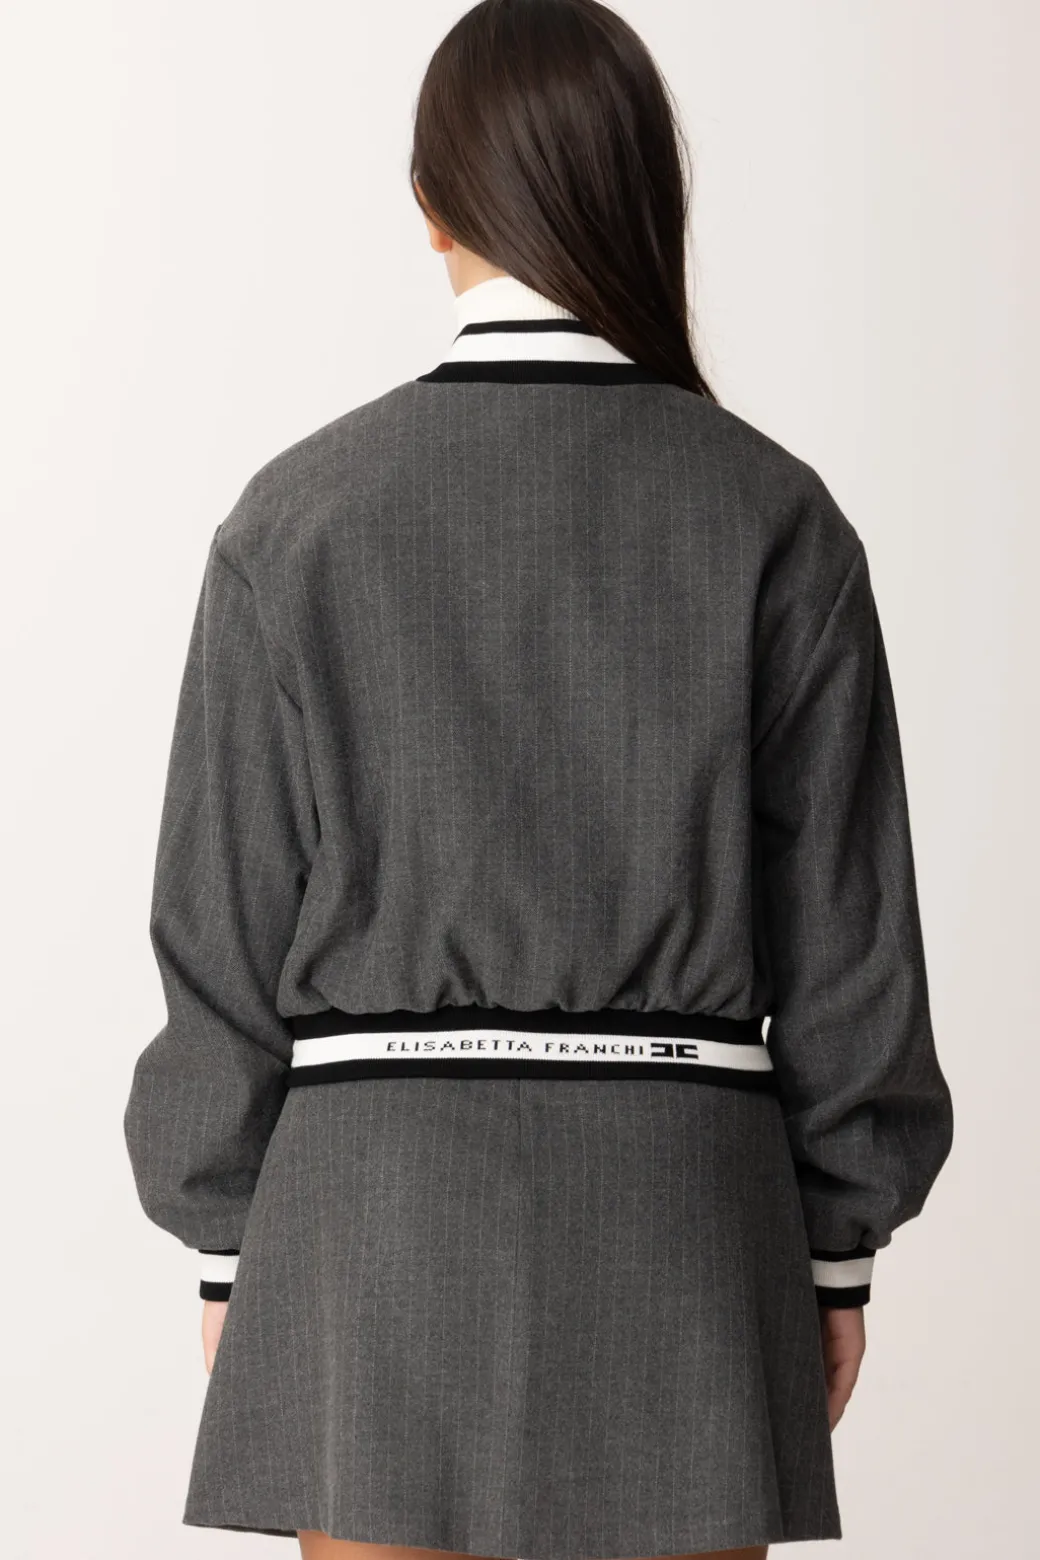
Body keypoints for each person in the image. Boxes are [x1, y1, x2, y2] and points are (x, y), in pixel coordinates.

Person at [122, 2, 955, 1557]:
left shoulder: (294, 521)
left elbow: (217, 925)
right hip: (686, 1218)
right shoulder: (774, 518)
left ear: (429, 207)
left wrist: (232, 1245)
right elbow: (853, 940)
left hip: (371, 1227)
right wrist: (837, 1249)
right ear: (644, 197)